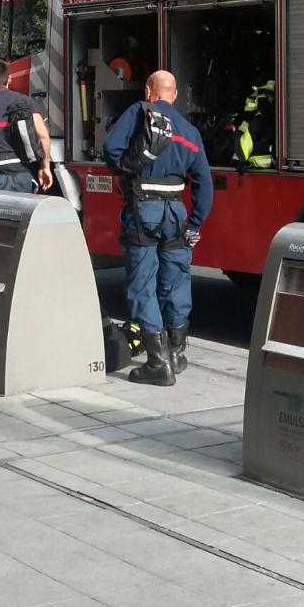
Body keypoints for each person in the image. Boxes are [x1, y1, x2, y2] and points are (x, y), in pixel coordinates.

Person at [104, 70, 213, 387]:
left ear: (149, 91)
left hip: (143, 209)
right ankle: (177, 354)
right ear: (174, 95)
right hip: (177, 213)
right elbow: (204, 184)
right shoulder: (190, 132)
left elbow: (111, 150)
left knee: (142, 284)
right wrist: (195, 222)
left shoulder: (139, 112)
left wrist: (127, 168)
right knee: (176, 281)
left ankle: (157, 362)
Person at [0, 58, 53, 195]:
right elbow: (43, 136)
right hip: (22, 175)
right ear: (9, 79)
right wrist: (45, 166)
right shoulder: (24, 101)